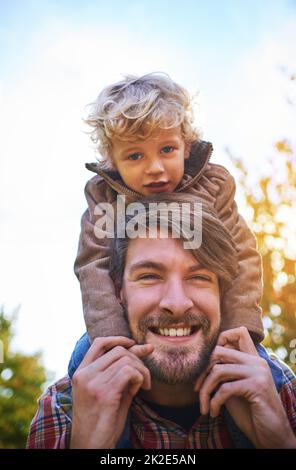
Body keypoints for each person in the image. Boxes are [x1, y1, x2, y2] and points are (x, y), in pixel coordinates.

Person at [27, 195, 296, 449]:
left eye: (199, 277)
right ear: (118, 292)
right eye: (149, 276)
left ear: (222, 294)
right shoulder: (65, 405)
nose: (176, 304)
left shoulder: (281, 390)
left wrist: (281, 441)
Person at [74, 72, 264, 346]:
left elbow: (243, 255)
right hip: (132, 321)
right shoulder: (105, 199)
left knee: (261, 366)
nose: (155, 168)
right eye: (135, 155)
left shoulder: (213, 187)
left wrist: (240, 326)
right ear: (112, 161)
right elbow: (94, 265)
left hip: (209, 319)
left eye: (167, 149)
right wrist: (112, 337)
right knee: (83, 359)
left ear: (186, 146)